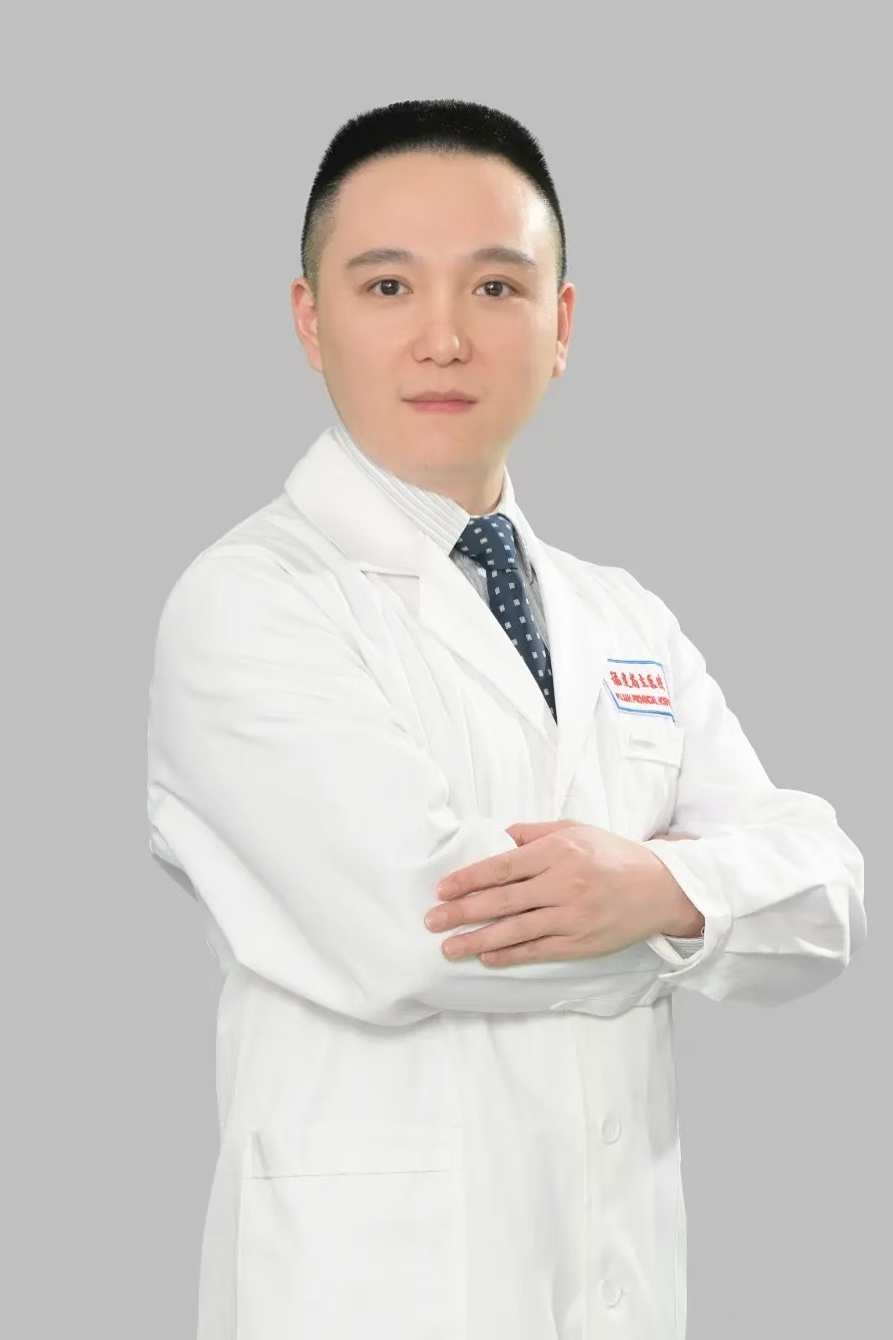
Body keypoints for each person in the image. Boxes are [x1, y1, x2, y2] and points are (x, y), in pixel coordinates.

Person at [145, 98, 866, 1340]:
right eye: (386, 287)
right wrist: (698, 905)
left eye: (494, 286)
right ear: (309, 319)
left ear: (561, 323)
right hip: (371, 1298)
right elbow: (419, 928)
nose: (442, 338)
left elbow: (827, 893)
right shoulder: (249, 603)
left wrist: (652, 887)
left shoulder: (622, 615)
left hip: (619, 1287)